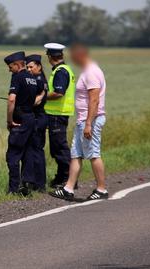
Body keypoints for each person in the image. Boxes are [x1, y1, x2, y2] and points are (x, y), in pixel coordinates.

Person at [50, 43, 108, 201]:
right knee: (76, 154)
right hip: (83, 120)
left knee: (93, 154)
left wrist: (89, 123)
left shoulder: (91, 73)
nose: (72, 60)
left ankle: (101, 189)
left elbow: (94, 100)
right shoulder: (89, 70)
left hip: (90, 120)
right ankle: (68, 188)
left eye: (73, 57)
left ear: (80, 56)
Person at [4, 52, 45, 195]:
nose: (9, 70)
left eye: (10, 67)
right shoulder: (32, 78)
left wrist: (10, 120)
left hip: (20, 119)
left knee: (13, 154)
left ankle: (13, 188)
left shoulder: (17, 77)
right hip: (31, 118)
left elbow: (11, 100)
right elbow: (38, 97)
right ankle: (26, 184)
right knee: (28, 152)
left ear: (17, 64)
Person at [43, 43, 76, 189]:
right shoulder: (65, 69)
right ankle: (61, 177)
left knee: (60, 148)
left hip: (57, 115)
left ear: (50, 57)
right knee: (57, 148)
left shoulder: (60, 71)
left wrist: (42, 97)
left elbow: (58, 93)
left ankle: (68, 180)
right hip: (59, 114)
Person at [26, 54, 48, 190]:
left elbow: (36, 101)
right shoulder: (40, 79)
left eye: (31, 67)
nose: (28, 69)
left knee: (36, 151)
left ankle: (39, 184)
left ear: (39, 66)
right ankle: (38, 183)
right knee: (36, 150)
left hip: (37, 119)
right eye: (27, 67)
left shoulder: (38, 80)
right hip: (40, 118)